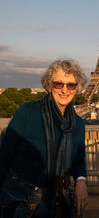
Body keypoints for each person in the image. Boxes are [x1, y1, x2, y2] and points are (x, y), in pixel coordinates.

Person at [0, 59, 88, 218]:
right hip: (21, 200)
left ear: (77, 89)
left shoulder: (78, 124)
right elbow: (4, 156)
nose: (64, 90)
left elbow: (79, 157)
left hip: (58, 202)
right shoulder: (27, 112)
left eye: (71, 85)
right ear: (49, 85)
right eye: (58, 84)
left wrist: (81, 180)